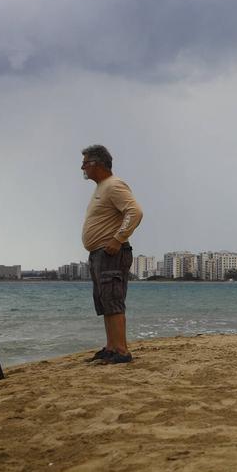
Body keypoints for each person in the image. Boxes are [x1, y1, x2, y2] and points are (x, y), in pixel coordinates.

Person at [80, 144, 143, 364]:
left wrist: (118, 238)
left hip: (111, 253)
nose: (82, 168)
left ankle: (122, 351)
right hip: (100, 254)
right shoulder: (102, 187)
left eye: (85, 163)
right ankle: (111, 347)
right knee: (105, 301)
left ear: (97, 164)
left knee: (113, 300)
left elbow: (135, 211)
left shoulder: (114, 185)